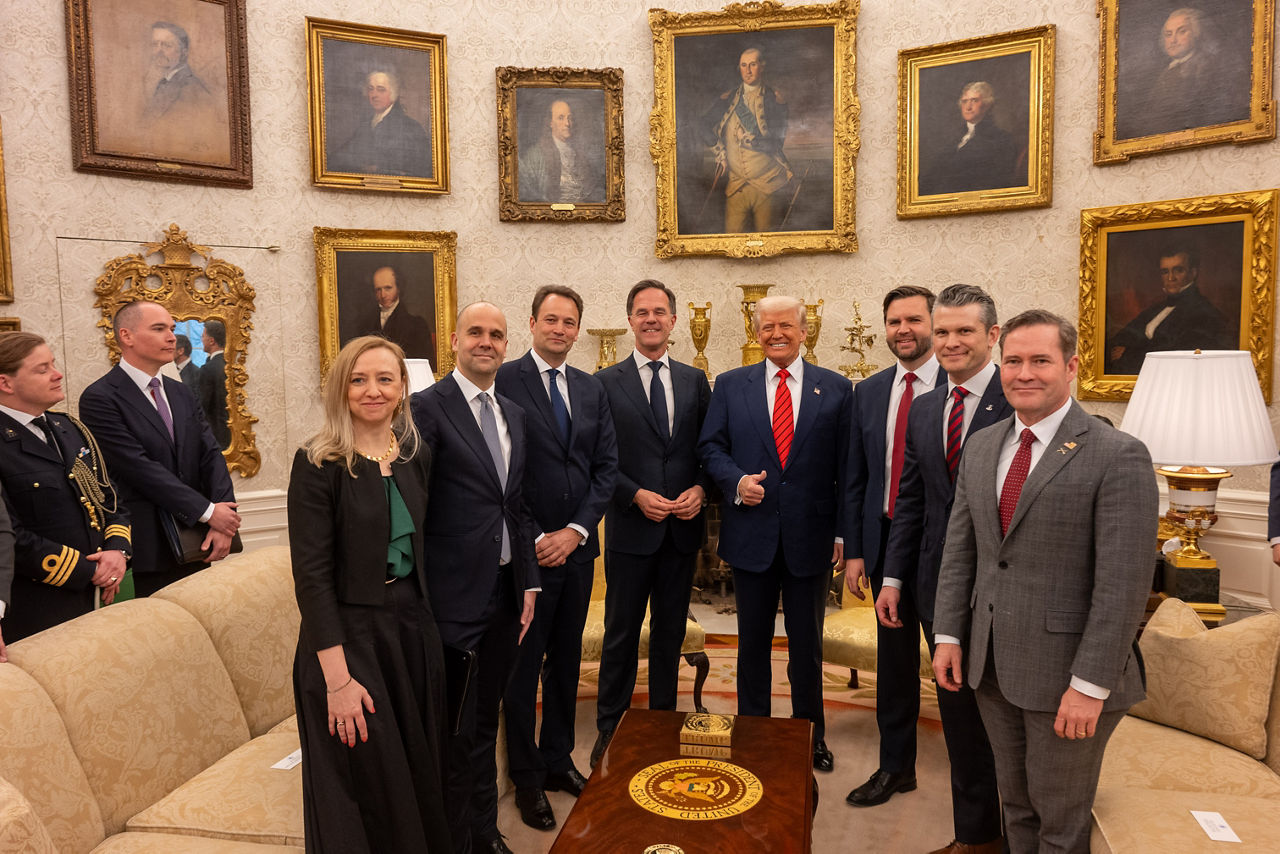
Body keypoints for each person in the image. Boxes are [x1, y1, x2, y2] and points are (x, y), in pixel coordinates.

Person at [933, 309, 1158, 853]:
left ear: (1071, 366)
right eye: (1013, 360)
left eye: (1040, 360)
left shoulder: (1117, 454)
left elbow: (1122, 586)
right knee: (1018, 808)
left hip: (1068, 677)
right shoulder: (984, 446)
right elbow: (962, 551)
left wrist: (1089, 687)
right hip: (990, 667)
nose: (1024, 373)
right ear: (998, 362)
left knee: (1060, 823)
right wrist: (947, 635)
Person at [287, 335, 451, 853]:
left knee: (418, 774)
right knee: (370, 787)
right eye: (358, 379)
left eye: (385, 379)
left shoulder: (414, 456)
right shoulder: (317, 463)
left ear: (404, 388)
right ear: (340, 388)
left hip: (410, 630)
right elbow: (312, 579)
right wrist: (338, 682)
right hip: (349, 641)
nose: (372, 390)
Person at [876, 283, 1009, 854]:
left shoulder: (1020, 393)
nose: (951, 342)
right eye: (945, 331)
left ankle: (1019, 833)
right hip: (936, 586)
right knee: (956, 714)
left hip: (1003, 590)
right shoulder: (929, 405)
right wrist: (893, 578)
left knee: (1004, 718)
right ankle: (976, 838)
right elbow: (911, 500)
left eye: (965, 332)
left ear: (992, 336)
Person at [697, 294, 852, 772]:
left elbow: (848, 468)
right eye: (767, 327)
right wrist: (736, 482)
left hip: (812, 537)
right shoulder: (729, 385)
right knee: (752, 644)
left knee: (807, 648)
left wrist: (844, 535)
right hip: (752, 535)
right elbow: (710, 446)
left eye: (786, 326)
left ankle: (811, 735)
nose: (776, 334)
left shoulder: (838, 388)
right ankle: (754, 729)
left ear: (804, 331)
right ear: (756, 332)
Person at [411, 302, 538, 854]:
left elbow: (518, 506)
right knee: (455, 731)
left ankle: (484, 835)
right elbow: (413, 507)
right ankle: (457, 839)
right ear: (454, 340)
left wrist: (529, 579)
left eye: (497, 335)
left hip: (507, 597)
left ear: (507, 345)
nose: (487, 342)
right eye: (476, 333)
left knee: (488, 721)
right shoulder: (423, 408)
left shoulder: (514, 412)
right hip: (451, 598)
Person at [496, 285, 617, 831]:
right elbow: (501, 474)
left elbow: (605, 469)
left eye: (570, 322)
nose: (561, 330)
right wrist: (540, 536)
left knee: (568, 665)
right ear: (532, 323)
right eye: (552, 320)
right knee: (524, 672)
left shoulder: (592, 389)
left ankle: (557, 759)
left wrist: (574, 531)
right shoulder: (504, 380)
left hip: (578, 549)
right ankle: (526, 779)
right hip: (527, 555)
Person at [592, 280, 712, 769]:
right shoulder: (603, 382)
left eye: (660, 312)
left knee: (669, 635)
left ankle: (662, 719)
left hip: (681, 533)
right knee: (620, 634)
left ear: (674, 321)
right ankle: (610, 726)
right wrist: (634, 494)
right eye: (642, 312)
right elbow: (599, 458)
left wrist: (703, 490)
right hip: (630, 530)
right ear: (629, 321)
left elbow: (709, 450)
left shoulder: (694, 380)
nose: (651, 319)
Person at [842, 286, 940, 808]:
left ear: (934, 323)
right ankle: (895, 768)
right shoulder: (870, 391)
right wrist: (856, 550)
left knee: (955, 669)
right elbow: (857, 477)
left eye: (914, 320)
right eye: (894, 321)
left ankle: (982, 781)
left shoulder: (960, 387)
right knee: (895, 666)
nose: (904, 330)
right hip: (884, 549)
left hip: (944, 553)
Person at [78, 300, 240, 597]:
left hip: (198, 540)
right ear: (126, 336)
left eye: (172, 329)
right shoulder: (100, 398)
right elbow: (138, 467)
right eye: (159, 329)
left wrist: (223, 516)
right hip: (150, 546)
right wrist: (207, 512)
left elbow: (210, 452)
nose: (171, 337)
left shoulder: (180, 391)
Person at [0, 333, 131, 643]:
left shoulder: (68, 428)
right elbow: (8, 534)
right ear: (5, 383)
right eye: (42, 369)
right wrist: (88, 572)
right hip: (37, 606)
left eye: (54, 364)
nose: (57, 374)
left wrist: (117, 550)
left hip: (102, 591)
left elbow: (108, 499)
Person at [700, 47, 793, 233]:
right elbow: (702, 124)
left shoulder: (775, 100)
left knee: (767, 244)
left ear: (762, 66)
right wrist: (720, 151)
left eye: (753, 64)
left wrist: (749, 141)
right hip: (736, 186)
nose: (748, 70)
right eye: (744, 65)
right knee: (731, 243)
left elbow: (776, 142)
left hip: (768, 185)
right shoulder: (729, 98)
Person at [1106, 246, 1235, 374]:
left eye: (1178, 270)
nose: (1170, 278)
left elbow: (1176, 355)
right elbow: (1121, 338)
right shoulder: (1157, 308)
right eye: (1165, 272)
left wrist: (1128, 353)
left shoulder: (1204, 312)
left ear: (1193, 273)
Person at [1127, 7, 1251, 138]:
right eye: (1168, 34)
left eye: (1181, 32)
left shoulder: (1207, 66)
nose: (1173, 40)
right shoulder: (1166, 70)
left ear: (1197, 33)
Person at [918, 82, 1021, 197]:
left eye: (975, 100)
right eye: (964, 101)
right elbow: (932, 176)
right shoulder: (953, 139)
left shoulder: (1002, 139)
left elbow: (997, 181)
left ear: (987, 105)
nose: (968, 107)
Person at [330, 70, 432, 177]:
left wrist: (378, 168)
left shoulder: (410, 127)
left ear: (393, 93)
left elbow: (420, 167)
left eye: (381, 90)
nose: (374, 95)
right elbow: (346, 154)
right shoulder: (365, 125)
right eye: (370, 89)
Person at [518, 99, 604, 203]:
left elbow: (590, 188)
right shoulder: (535, 156)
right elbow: (529, 193)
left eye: (570, 118)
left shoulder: (577, 153)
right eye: (560, 118)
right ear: (550, 123)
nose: (567, 123)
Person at [142, 21, 218, 128]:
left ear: (184, 52)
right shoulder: (164, 83)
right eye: (155, 44)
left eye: (167, 45)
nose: (159, 51)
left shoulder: (191, 88)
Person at [359, 265, 435, 362]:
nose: (383, 295)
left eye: (388, 288)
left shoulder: (417, 325)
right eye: (378, 290)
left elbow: (424, 365)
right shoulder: (365, 323)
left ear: (398, 288)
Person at [198, 320, 229, 450]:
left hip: (216, 433)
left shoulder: (208, 369)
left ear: (211, 341)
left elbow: (203, 405)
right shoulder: (232, 365)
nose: (201, 339)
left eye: (203, 336)